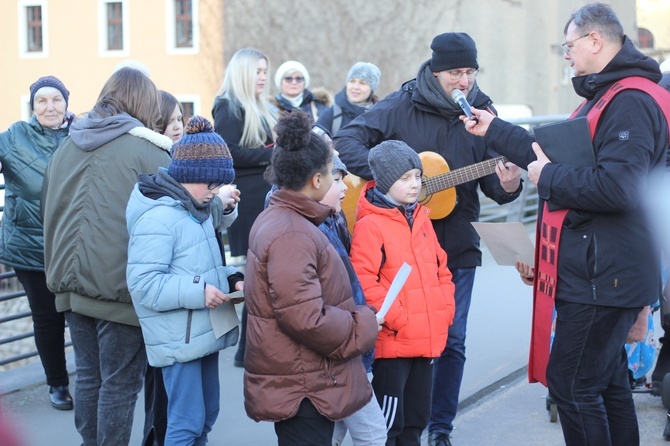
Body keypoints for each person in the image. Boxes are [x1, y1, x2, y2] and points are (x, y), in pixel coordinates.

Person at [462, 3, 669, 445]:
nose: (566, 56)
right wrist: (494, 129)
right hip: (600, 270)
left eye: (569, 46)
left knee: (574, 385)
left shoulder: (629, 101)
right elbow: (549, 148)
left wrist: (546, 178)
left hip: (605, 274)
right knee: (606, 383)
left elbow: (619, 188)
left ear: (595, 41)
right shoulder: (607, 95)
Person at [334, 32, 522, 446]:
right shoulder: (402, 105)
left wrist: (508, 184)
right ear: (436, 71)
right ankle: (394, 433)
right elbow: (346, 139)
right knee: (401, 342)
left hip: (455, 245)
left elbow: (495, 186)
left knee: (452, 340)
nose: (464, 81)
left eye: (470, 72)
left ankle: (440, 428)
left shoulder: (482, 113)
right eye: (456, 72)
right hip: (395, 251)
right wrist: (387, 176)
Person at [41, 67, 173, 446]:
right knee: (120, 384)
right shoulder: (151, 151)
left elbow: (45, 206)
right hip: (120, 286)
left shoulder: (67, 145)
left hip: (69, 281)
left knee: (88, 376)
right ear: (143, 103)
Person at [243, 110, 378, 445]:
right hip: (301, 384)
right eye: (334, 176)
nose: (340, 183)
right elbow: (304, 316)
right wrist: (361, 324)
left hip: (302, 377)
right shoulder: (293, 233)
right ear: (316, 180)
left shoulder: (285, 218)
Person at [126, 115, 243, 445]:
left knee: (206, 415)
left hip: (200, 330)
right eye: (212, 185)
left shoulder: (197, 207)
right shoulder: (160, 216)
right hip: (179, 337)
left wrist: (231, 279)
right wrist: (199, 291)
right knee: (187, 422)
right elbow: (144, 284)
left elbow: (200, 266)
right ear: (191, 176)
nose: (216, 193)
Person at [349, 140, 456, 445]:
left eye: (417, 176)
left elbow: (442, 270)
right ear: (384, 181)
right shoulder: (371, 225)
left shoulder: (422, 219)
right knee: (390, 426)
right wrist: (400, 319)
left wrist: (445, 311)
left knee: (416, 421)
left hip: (427, 338)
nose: (415, 185)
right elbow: (364, 281)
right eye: (405, 178)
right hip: (394, 344)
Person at [0, 76, 74, 410]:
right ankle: (57, 384)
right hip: (29, 248)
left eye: (56, 100)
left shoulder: (82, 136)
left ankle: (91, 379)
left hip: (74, 247)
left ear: (66, 104)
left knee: (82, 316)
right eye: (42, 100)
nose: (50, 107)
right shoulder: (15, 136)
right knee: (46, 319)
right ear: (33, 106)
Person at [212, 47, 278, 369]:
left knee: (263, 272)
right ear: (243, 73)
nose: (264, 77)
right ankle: (245, 349)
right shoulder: (227, 106)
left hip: (263, 195)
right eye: (258, 71)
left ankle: (250, 347)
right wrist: (271, 154)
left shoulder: (260, 107)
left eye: (266, 71)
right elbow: (229, 154)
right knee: (256, 272)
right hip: (247, 198)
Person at [317, 62, 382, 136]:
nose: (356, 87)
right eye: (352, 81)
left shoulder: (380, 117)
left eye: (362, 83)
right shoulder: (332, 114)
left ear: (372, 89)